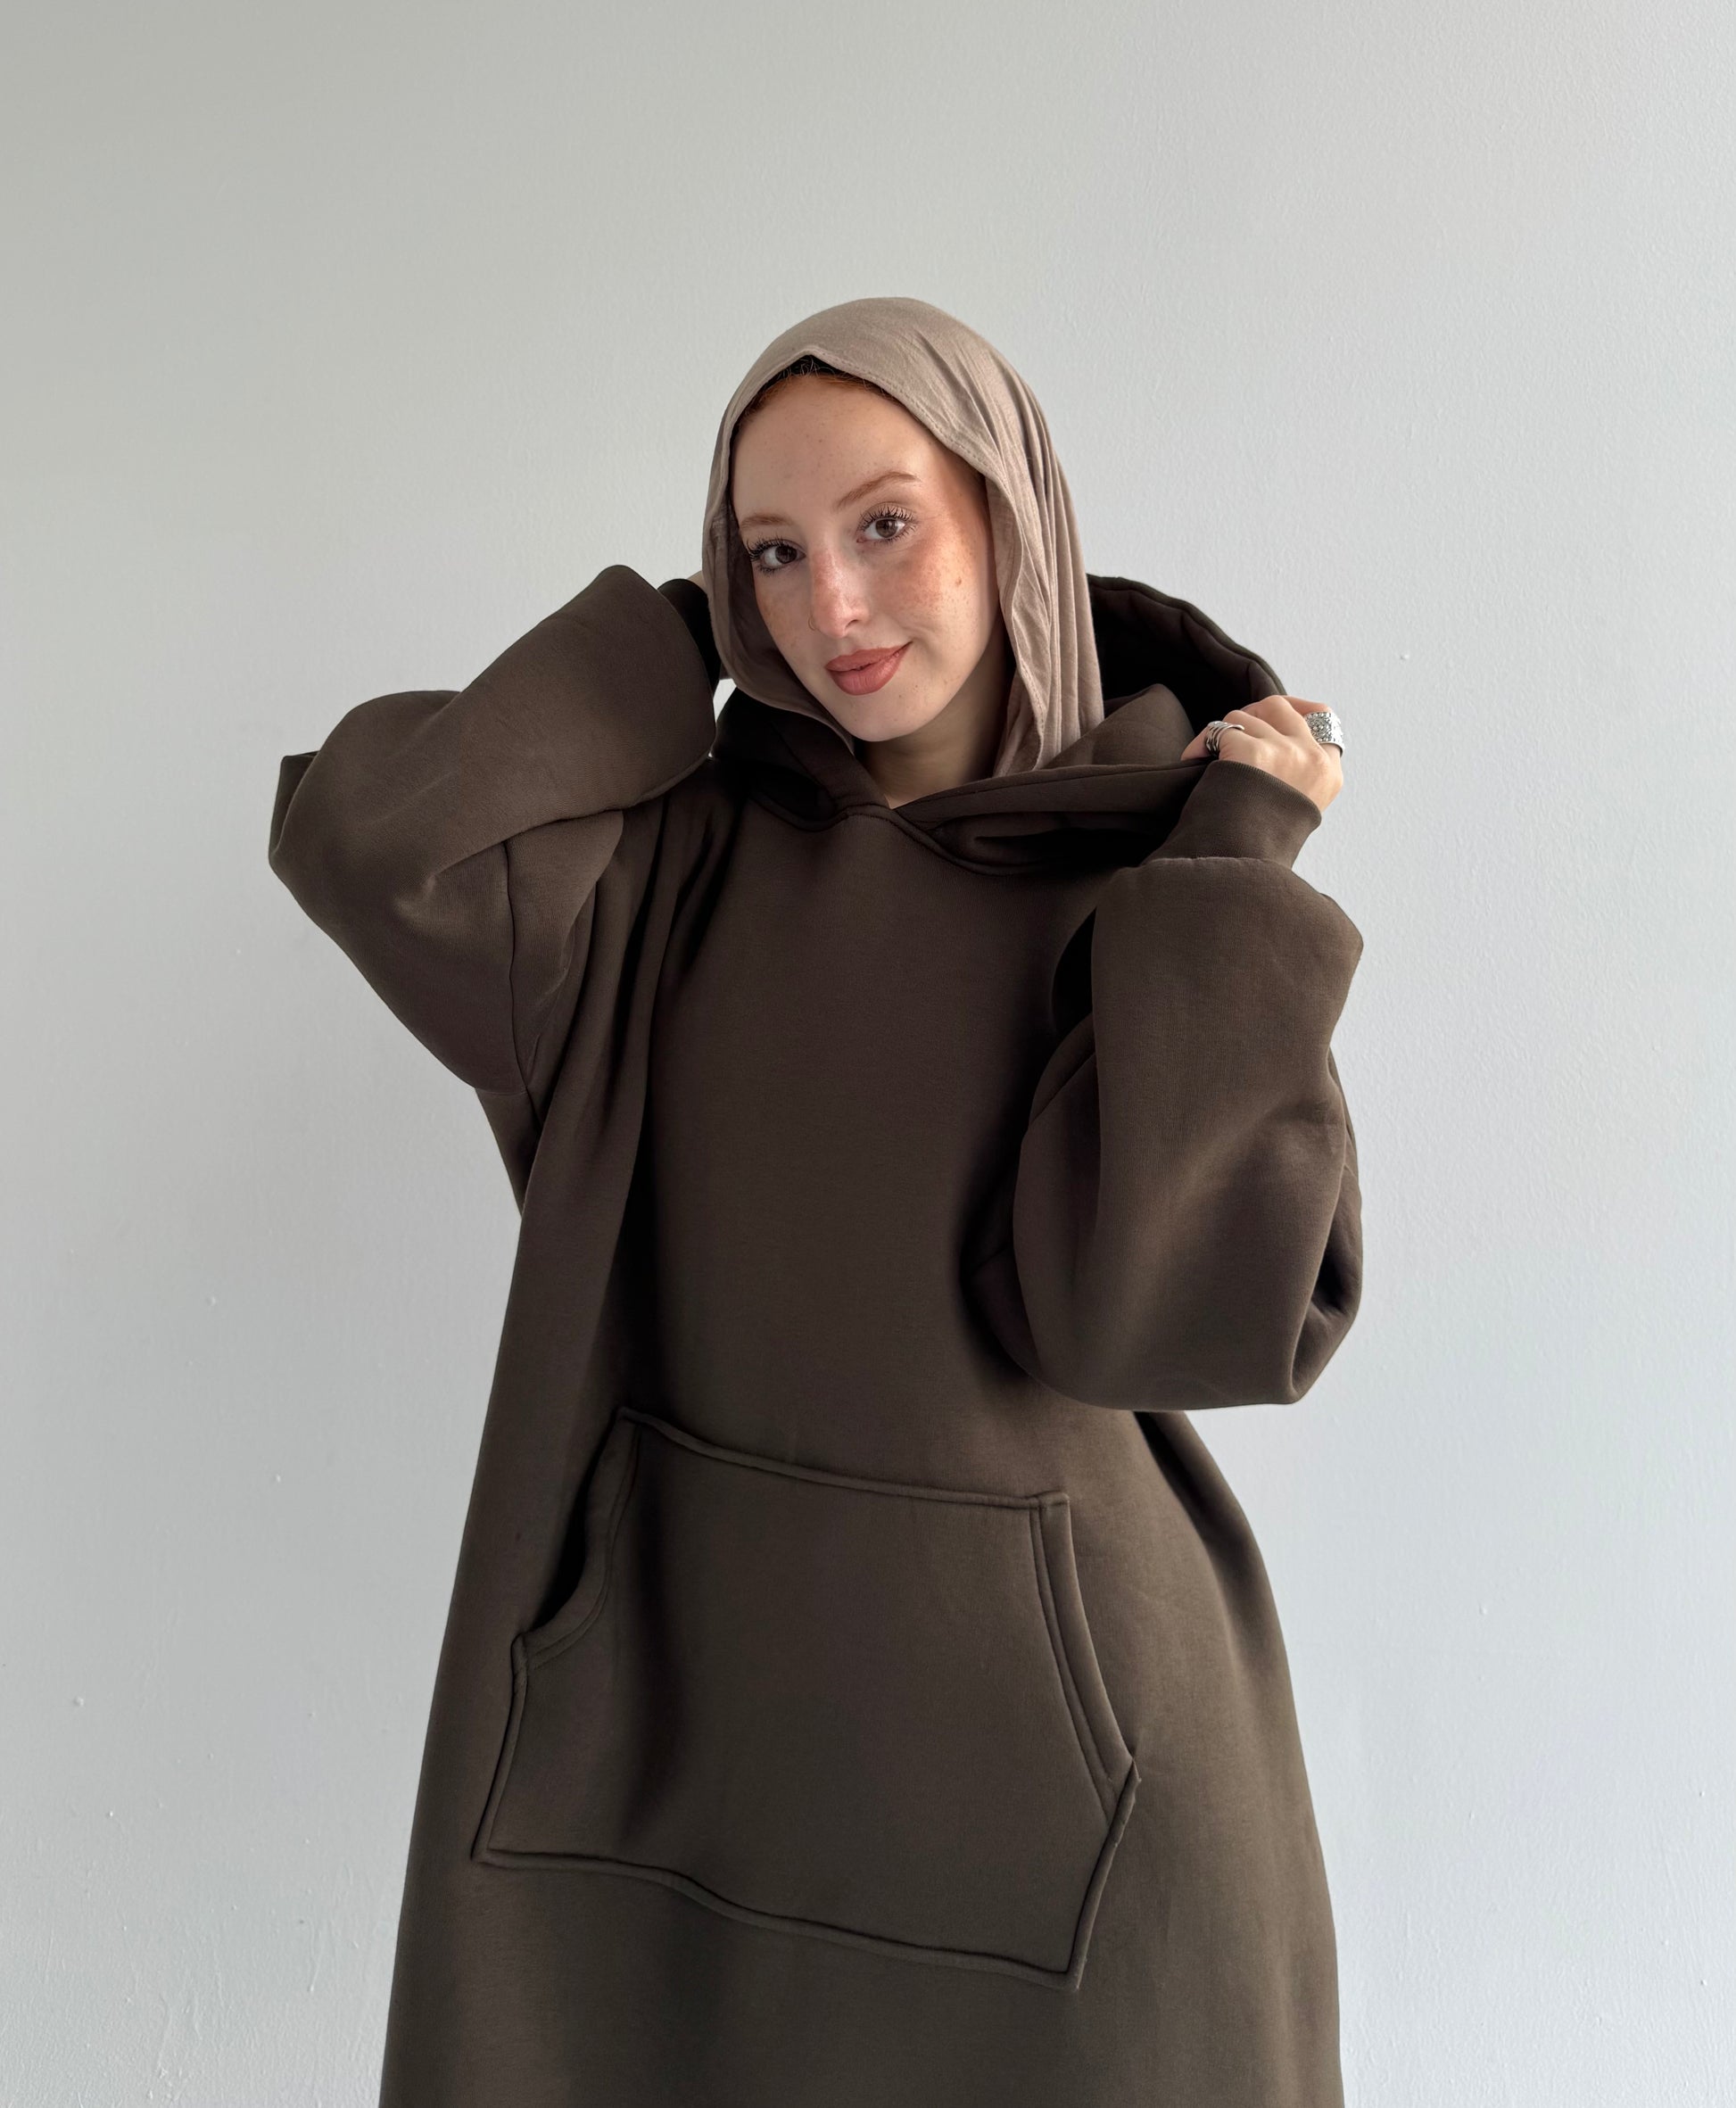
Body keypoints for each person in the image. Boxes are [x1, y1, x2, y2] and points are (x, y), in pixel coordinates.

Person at [268, 294, 1363, 2107]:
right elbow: (380, 847)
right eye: (769, 550)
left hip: (1075, 1808)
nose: (830, 605)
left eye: (884, 524)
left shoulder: (1165, 878)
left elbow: (1158, 1320)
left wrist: (1233, 867)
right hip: (679, 1754)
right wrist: (672, 636)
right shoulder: (659, 873)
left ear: (1008, 515)